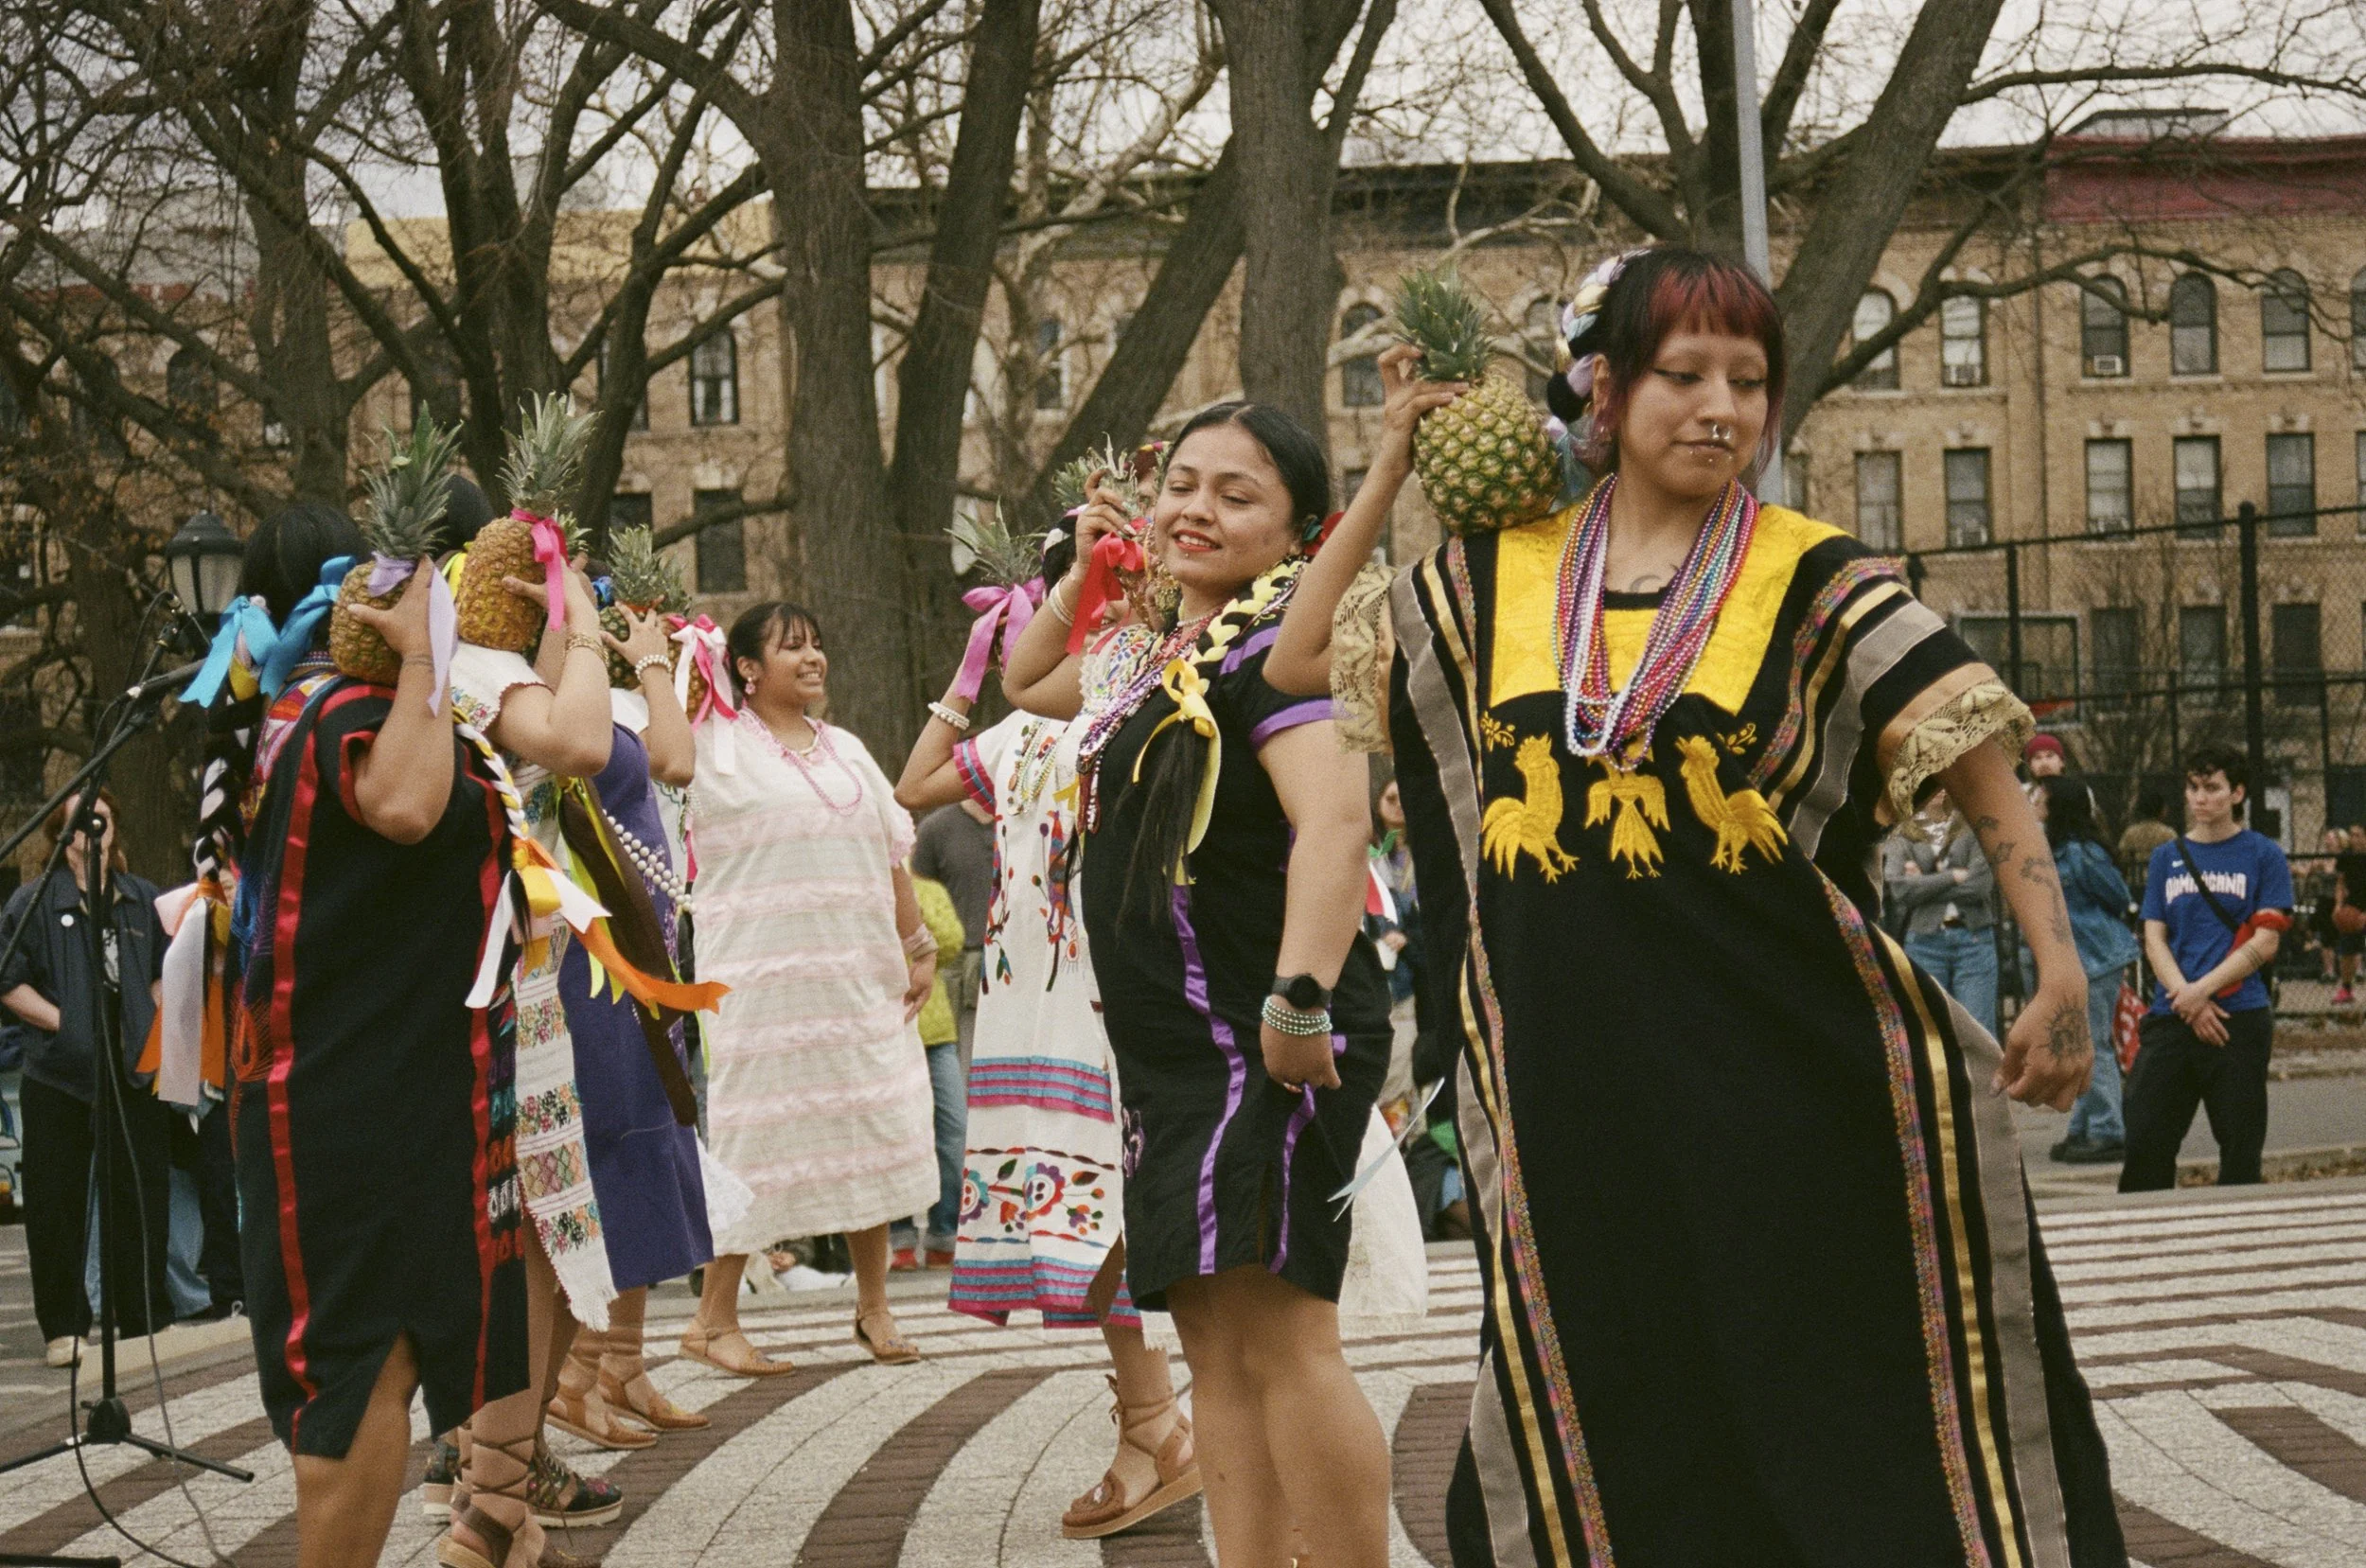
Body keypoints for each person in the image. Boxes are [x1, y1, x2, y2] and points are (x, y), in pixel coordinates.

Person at [1272, 244, 2122, 1565]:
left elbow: (1975, 751)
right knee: (1620, 1406)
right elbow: (1302, 652)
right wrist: (1390, 459)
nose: (1720, 405)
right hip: (1583, 1102)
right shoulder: (1494, 578)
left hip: (1790, 1077)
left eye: (1748, 378)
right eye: (1683, 374)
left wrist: (2059, 965)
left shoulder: (1810, 574)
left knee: (1839, 1398)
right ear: (1603, 389)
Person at [998, 401, 1396, 1566]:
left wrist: (1298, 1000)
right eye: (1181, 483)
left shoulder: (1284, 647)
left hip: (1264, 1029)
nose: (1196, 510)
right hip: (1173, 1052)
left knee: (1284, 1341)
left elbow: (1333, 826)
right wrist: (1086, 570)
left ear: (1297, 532)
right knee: (1213, 1348)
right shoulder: (1149, 652)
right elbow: (1029, 681)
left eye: (1238, 494)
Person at [226, 512, 533, 1568]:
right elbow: (404, 805)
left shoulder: (320, 706)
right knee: (355, 1365)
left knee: (393, 1355)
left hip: (398, 1082)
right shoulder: (342, 710)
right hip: (344, 1092)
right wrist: (420, 661)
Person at [896, 524, 1203, 1543]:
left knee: (1117, 1209)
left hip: (1113, 987)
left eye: (1118, 587)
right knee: (1075, 1222)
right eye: (1078, 593)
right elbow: (915, 784)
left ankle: (1166, 1422)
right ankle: (1155, 1419)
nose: (1100, 608)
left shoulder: (1162, 697)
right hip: (1031, 996)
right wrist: (970, 669)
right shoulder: (1024, 732)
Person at [687, 601, 939, 1369]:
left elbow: (891, 851)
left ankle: (874, 1309)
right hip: (764, 988)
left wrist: (916, 941)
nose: (813, 657)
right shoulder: (713, 750)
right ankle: (711, 1321)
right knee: (754, 1142)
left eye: (818, 644)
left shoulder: (848, 749)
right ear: (747, 669)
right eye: (792, 647)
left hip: (856, 977)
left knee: (863, 1128)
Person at [441, 556, 626, 1560]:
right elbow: (580, 739)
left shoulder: (465, 665)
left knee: (541, 1234)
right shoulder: (464, 664)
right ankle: (483, 1494)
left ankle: (499, 1492)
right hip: (489, 985)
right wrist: (588, 620)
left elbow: (555, 708)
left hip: (517, 976)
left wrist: (566, 622)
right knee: (520, 1236)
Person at [543, 606, 722, 1452]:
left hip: (639, 944)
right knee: (613, 1139)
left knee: (652, 1135)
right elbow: (675, 759)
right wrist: (652, 664)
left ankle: (621, 1362)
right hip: (590, 954)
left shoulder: (587, 701)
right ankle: (575, 1374)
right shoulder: (538, 707)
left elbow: (672, 763)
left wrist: (647, 665)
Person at [3, 789, 174, 1365]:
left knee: (139, 1193)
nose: (95, 822)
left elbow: (169, 967)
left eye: (104, 812)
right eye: (83, 815)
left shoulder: (140, 900)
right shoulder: (34, 902)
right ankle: (65, 1328)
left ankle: (141, 1316)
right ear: (64, 834)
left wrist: (145, 1015)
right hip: (60, 1073)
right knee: (57, 1202)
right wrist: (67, 1024)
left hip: (129, 1070)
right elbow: (9, 980)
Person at [2124, 745, 2292, 1193]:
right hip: (2173, 1014)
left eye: (2213, 788)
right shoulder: (2166, 856)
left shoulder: (2264, 855)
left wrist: (2205, 991)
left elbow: (2266, 940)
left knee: (2240, 1143)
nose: (2201, 798)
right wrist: (2185, 996)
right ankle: (2143, 1238)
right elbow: (2153, 936)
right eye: (2193, 787)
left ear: (2237, 793)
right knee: (2145, 1135)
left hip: (2239, 1017)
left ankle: (2240, 1237)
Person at [2035, 777, 2143, 1164]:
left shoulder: (2080, 854)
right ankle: (2085, 1126)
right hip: (2078, 958)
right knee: (2076, 1044)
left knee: (2090, 1043)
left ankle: (2108, 1129)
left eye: (2041, 798)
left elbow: (2118, 895)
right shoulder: (2058, 850)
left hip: (2095, 956)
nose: (2035, 803)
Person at [887, 875, 966, 1272]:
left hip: (936, 1031)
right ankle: (899, 1238)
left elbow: (952, 941)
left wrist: (912, 910)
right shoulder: (868, 886)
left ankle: (944, 1234)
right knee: (892, 1134)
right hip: (887, 1027)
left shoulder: (930, 890)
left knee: (952, 1131)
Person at [1884, 788, 2000, 1039]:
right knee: (1929, 1033)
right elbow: (1898, 890)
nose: (1938, 788)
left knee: (1979, 1033)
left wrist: (1923, 883)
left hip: (1974, 941)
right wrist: (1952, 877)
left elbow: (1980, 886)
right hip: (1924, 942)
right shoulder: (1904, 832)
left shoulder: (1973, 826)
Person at [2332, 822, 2366, 1005]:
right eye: (2352, 835)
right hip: (2353, 905)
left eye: (2359, 835)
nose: (2354, 839)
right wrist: (2338, 905)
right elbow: (2340, 881)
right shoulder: (2346, 856)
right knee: (2347, 949)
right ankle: (2346, 989)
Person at [2117, 786, 2177, 890]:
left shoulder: (2131, 832)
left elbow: (2123, 858)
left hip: (2136, 882)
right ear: (2161, 809)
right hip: (2162, 882)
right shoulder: (2168, 833)